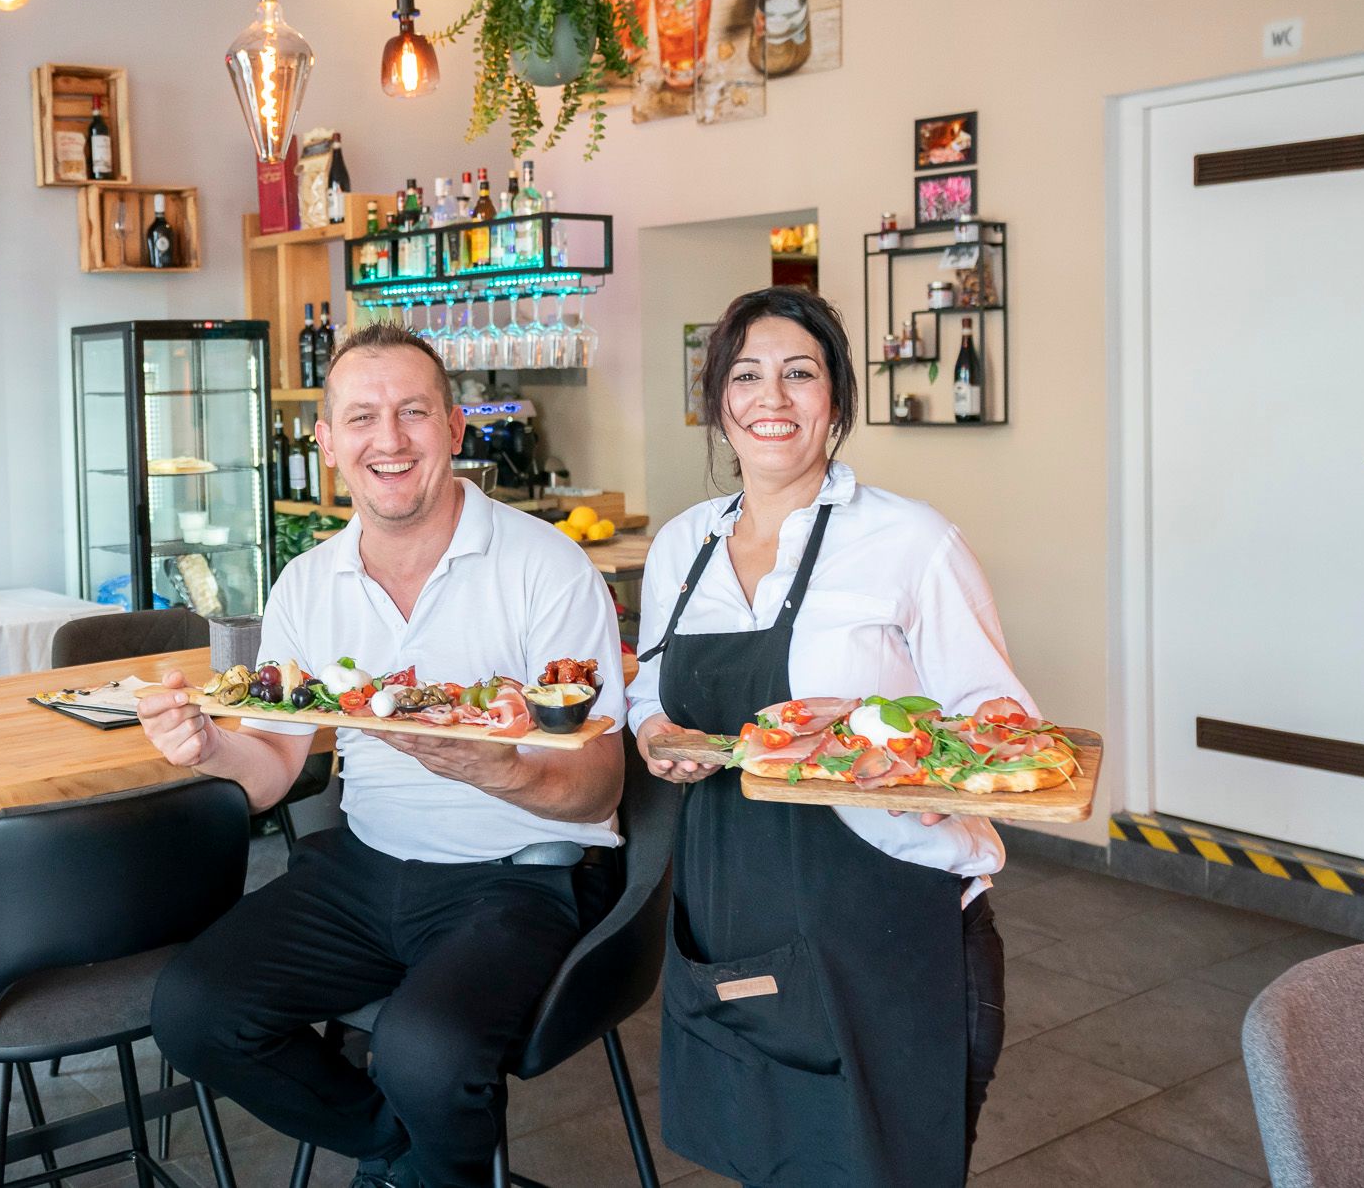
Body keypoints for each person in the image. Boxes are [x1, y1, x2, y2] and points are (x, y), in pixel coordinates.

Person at [144, 323, 628, 1188]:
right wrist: (211, 744)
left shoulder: (546, 567)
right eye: (362, 417)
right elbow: (275, 774)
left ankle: (422, 1152)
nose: (389, 438)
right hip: (366, 867)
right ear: (328, 444)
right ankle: (402, 1152)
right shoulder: (308, 582)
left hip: (519, 873)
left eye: (413, 411)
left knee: (425, 1052)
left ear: (454, 428)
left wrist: (504, 768)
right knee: (193, 1010)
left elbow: (600, 784)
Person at [630, 286, 1018, 1188]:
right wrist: (654, 730)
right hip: (735, 930)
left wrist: (915, 761)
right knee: (768, 1163)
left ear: (836, 399)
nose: (773, 397)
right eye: (747, 375)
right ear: (719, 402)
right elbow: (649, 684)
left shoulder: (911, 540)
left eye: (799, 374)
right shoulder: (683, 544)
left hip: (886, 934)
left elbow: (997, 719)